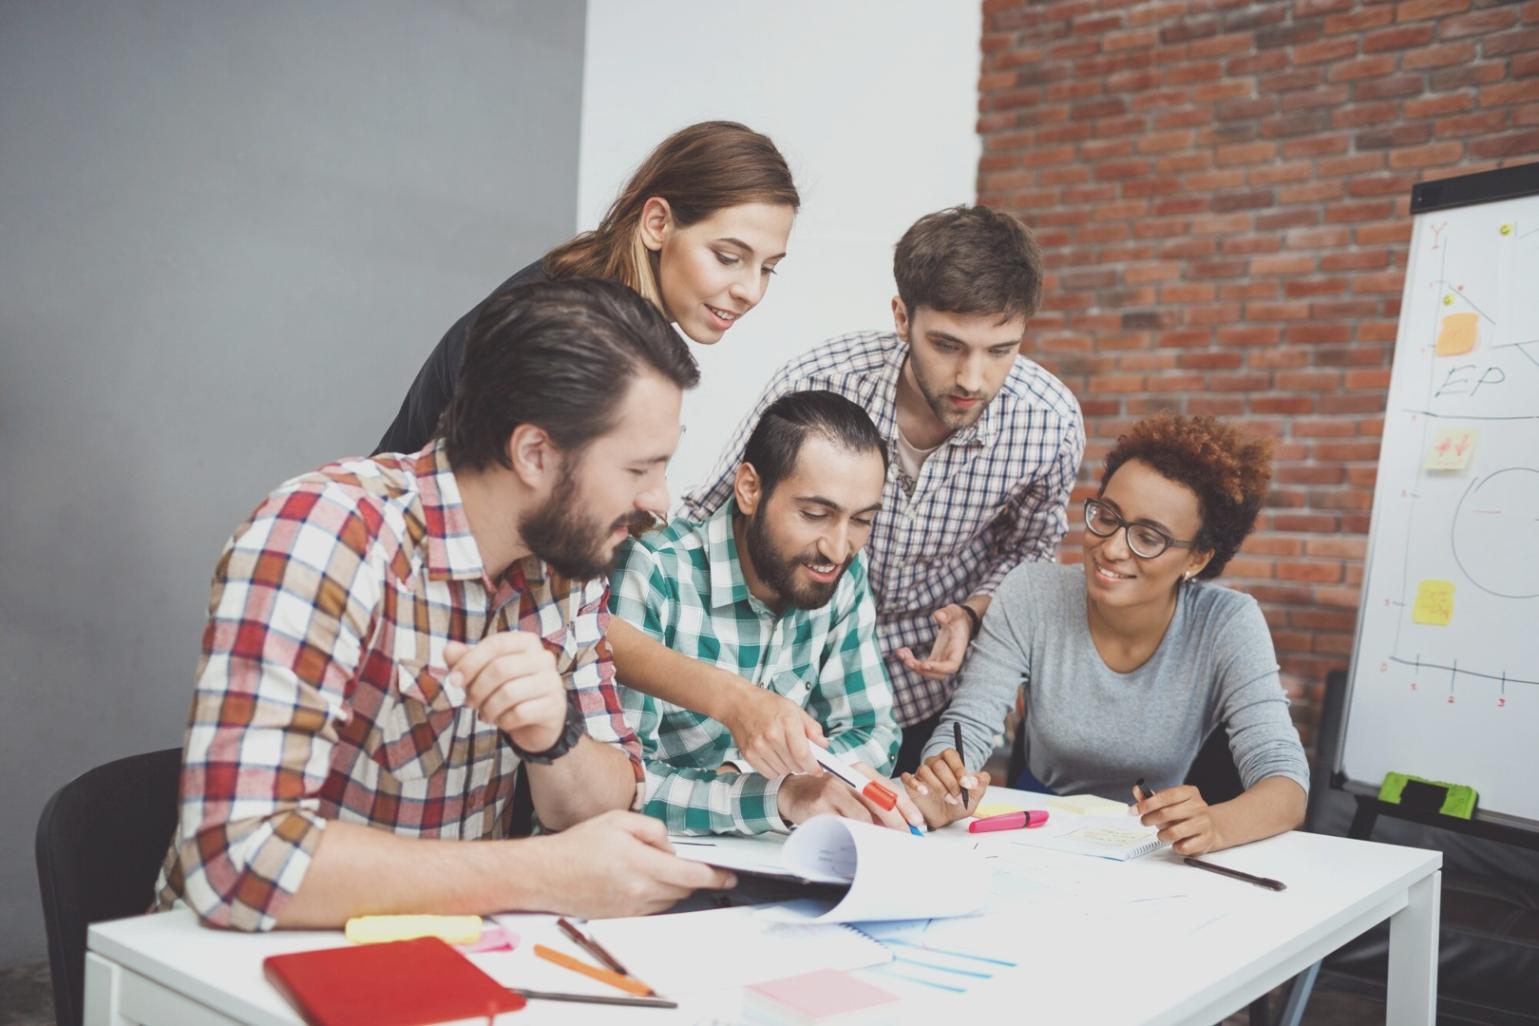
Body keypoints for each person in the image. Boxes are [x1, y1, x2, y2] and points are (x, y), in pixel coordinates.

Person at [155, 279, 735, 931]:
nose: (660, 501)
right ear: (534, 453)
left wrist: (556, 736)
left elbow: (605, 813)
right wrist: (543, 875)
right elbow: (237, 860)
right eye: (637, 470)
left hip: (441, 956)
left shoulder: (567, 561)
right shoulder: (326, 536)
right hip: (244, 967)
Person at [661, 205, 1084, 775]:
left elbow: (1029, 552)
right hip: (784, 684)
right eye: (948, 345)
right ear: (901, 316)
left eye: (1001, 350)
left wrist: (972, 613)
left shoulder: (1049, 424)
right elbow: (712, 509)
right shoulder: (819, 383)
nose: (972, 378)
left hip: (921, 701)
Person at [910, 415, 1310, 855]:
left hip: (1154, 844)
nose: (1112, 548)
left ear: (1196, 559)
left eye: (1148, 537)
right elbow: (969, 723)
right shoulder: (1032, 592)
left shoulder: (1227, 623)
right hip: (1036, 831)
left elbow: (1285, 782)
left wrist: (1217, 825)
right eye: (1107, 516)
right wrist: (943, 776)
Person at [376, 120, 799, 455]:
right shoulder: (563, 333)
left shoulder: (619, 321)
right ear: (657, 224)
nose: (751, 291)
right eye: (728, 257)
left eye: (768, 269)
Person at [609, 391, 922, 836]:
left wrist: (763, 781)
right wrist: (773, 795)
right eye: (815, 514)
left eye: (861, 521)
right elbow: (619, 782)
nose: (838, 548)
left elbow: (874, 731)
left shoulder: (840, 574)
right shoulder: (657, 570)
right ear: (750, 489)